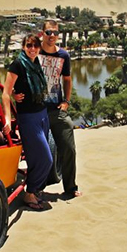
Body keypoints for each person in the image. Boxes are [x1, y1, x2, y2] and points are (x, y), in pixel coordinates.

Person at [2, 34, 53, 210]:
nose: (32, 49)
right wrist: (8, 118)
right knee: (46, 158)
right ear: (23, 46)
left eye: (35, 46)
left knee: (34, 158)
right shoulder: (18, 64)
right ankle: (30, 193)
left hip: (42, 114)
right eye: (29, 45)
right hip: (28, 118)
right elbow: (6, 93)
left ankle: (33, 190)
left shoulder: (36, 63)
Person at [39, 19, 81, 198]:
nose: (52, 36)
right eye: (49, 32)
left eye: (55, 33)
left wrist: (66, 102)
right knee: (37, 151)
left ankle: (70, 187)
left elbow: (67, 80)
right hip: (36, 110)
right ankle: (35, 190)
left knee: (69, 147)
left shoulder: (63, 55)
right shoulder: (34, 51)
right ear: (43, 33)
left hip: (56, 109)